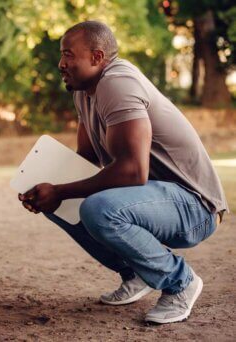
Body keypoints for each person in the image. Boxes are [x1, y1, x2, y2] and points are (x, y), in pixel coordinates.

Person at [18, 21, 227, 324]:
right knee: (60, 203)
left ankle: (181, 283)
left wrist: (61, 189)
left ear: (97, 57)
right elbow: (87, 162)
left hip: (195, 208)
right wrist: (45, 190)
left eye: (68, 55)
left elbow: (132, 171)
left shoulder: (118, 83)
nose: (61, 64)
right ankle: (137, 274)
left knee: (98, 207)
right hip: (152, 200)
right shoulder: (84, 91)